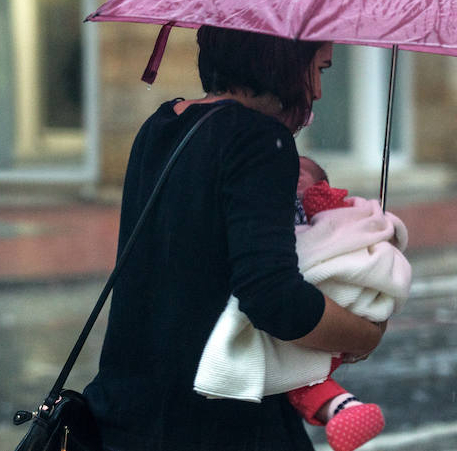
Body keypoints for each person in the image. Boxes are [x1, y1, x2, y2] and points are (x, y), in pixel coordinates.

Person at [83, 26, 385, 451]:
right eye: (317, 68)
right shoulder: (259, 140)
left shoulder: (162, 124)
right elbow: (272, 297)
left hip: (129, 411)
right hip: (219, 419)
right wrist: (364, 334)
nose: (317, 90)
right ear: (279, 60)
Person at [194, 156, 411, 451]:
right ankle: (345, 408)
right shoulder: (268, 195)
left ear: (321, 184)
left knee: (296, 374)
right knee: (301, 380)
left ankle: (343, 408)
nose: (295, 175)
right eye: (291, 168)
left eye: (305, 173)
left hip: (317, 307)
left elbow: (337, 231)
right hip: (308, 316)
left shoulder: (312, 204)